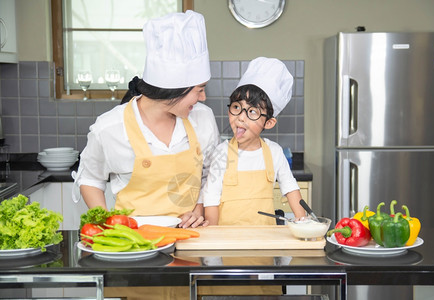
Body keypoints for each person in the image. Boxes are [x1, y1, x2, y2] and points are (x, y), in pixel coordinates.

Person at [72, 10, 220, 230]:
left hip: (191, 237)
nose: (203, 98)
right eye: (199, 90)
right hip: (134, 243)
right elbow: (91, 179)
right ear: (174, 90)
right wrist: (107, 224)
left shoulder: (203, 118)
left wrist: (198, 210)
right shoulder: (110, 128)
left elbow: (209, 173)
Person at [202, 57, 306, 226]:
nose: (240, 118)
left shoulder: (274, 152)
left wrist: (303, 223)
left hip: (265, 241)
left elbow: (290, 188)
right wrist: (213, 238)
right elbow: (211, 197)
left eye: (252, 111)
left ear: (269, 123)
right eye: (236, 107)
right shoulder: (222, 152)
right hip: (228, 242)